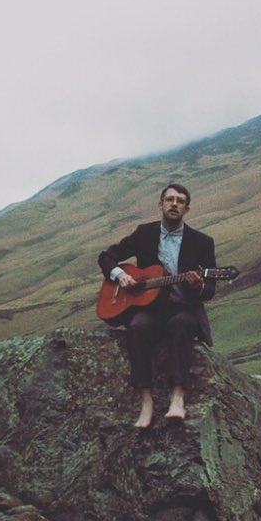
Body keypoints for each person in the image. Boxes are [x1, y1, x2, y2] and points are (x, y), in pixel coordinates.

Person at [98, 183, 217, 428]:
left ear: (187, 208)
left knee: (181, 324)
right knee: (138, 326)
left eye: (180, 201)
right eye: (170, 199)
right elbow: (106, 257)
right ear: (160, 204)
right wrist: (120, 275)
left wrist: (197, 286)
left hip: (183, 307)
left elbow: (210, 289)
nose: (174, 204)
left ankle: (177, 398)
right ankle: (146, 402)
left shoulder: (202, 242)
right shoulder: (144, 233)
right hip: (149, 308)